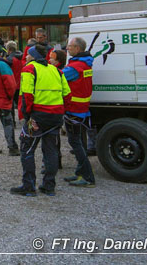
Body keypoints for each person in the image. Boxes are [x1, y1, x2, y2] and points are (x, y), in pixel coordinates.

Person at [10, 44, 70, 197]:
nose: (26, 57)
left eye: (28, 54)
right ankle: (49, 186)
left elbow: (27, 95)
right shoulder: (56, 70)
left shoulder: (30, 69)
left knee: (27, 148)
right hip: (55, 117)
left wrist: (27, 116)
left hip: (37, 117)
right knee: (50, 151)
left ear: (34, 56)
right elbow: (67, 94)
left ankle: (29, 186)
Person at [62, 37, 96, 188]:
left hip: (73, 110)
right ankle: (80, 172)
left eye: (69, 46)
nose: (67, 49)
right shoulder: (86, 64)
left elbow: (58, 78)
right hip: (82, 110)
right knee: (79, 142)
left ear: (77, 48)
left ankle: (88, 177)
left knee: (75, 143)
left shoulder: (74, 68)